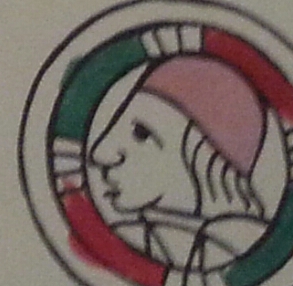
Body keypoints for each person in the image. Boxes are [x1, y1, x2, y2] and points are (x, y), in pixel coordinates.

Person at [88, 53, 273, 273]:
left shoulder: (227, 247)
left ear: (204, 156)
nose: (101, 154)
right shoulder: (135, 237)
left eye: (141, 133)